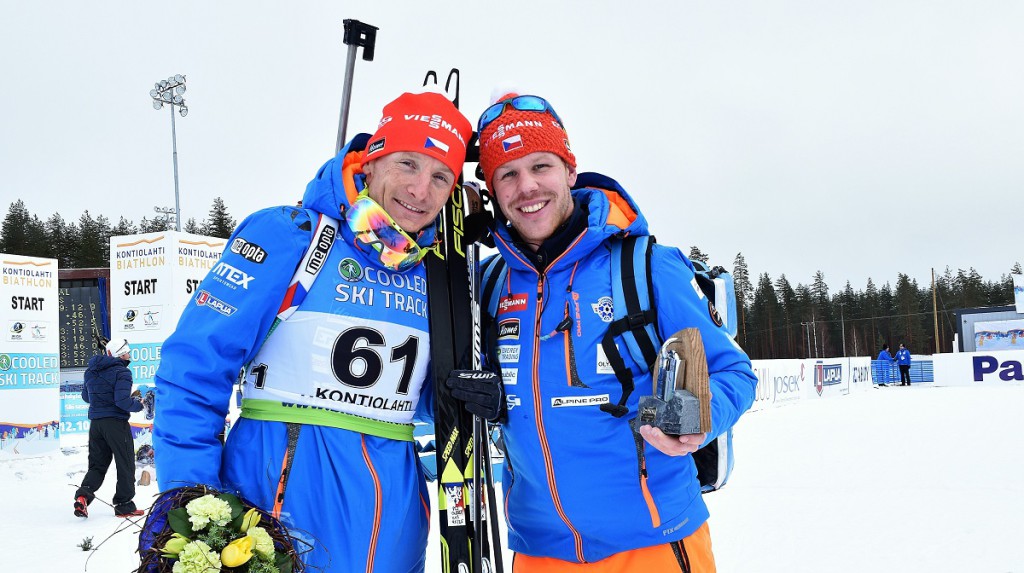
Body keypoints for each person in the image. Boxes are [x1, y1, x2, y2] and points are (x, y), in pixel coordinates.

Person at [152, 92, 472, 573]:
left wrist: (468, 390)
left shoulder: (439, 275)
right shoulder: (292, 236)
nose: (420, 190)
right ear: (373, 161)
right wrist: (193, 504)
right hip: (275, 523)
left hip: (394, 532)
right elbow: (195, 369)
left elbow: (423, 398)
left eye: (440, 176)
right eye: (408, 164)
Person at [449, 93, 758, 571]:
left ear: (570, 171)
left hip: (652, 540)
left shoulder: (645, 267)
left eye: (541, 166)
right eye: (507, 173)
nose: (527, 187)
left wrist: (695, 416)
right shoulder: (485, 285)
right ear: (491, 188)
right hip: (538, 549)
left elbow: (733, 370)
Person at [74, 337, 145, 518]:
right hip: (115, 424)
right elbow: (122, 402)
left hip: (96, 425)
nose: (129, 354)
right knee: (125, 463)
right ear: (120, 354)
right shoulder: (122, 373)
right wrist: (139, 404)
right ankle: (124, 505)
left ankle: (83, 496)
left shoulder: (91, 371)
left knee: (97, 465)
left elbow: (86, 397)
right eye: (127, 351)